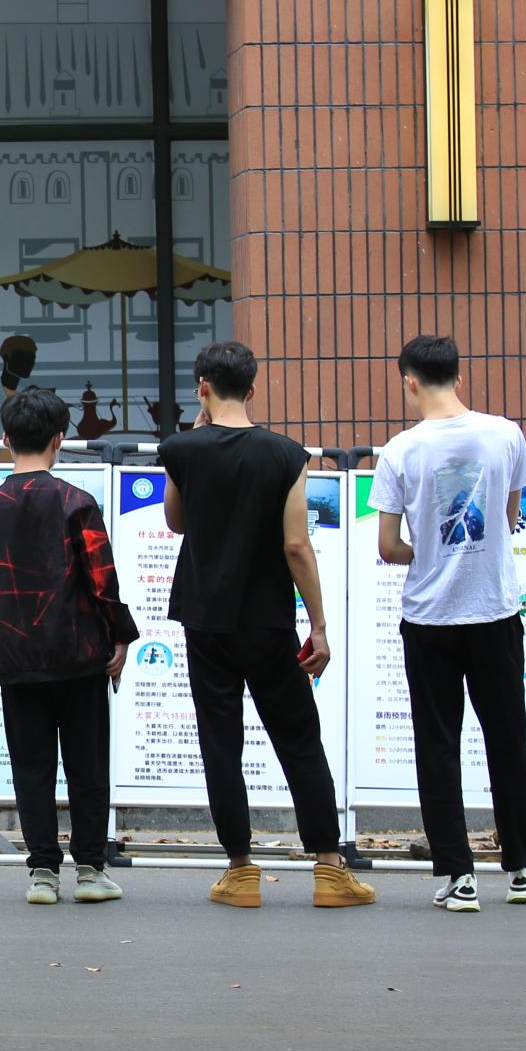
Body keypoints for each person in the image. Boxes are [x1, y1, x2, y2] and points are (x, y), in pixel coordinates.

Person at [160, 341, 376, 908]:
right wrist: (319, 625)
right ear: (253, 389)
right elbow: (296, 544)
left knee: (220, 743)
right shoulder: (286, 454)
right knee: (299, 740)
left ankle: (240, 871)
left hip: (205, 620)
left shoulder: (180, 450)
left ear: (202, 387)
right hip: (268, 621)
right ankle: (329, 870)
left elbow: (177, 521)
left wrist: (193, 444)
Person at [370, 334, 526, 912]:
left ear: (409, 381)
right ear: (459, 377)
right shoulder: (505, 434)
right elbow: (510, 517)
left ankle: (457, 875)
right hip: (495, 610)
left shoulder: (399, 450)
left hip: (430, 618)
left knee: (438, 744)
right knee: (508, 740)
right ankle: (521, 870)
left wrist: (426, 553)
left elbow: (388, 545)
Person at [0, 388, 138, 905]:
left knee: (31, 768)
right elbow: (103, 580)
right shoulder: (78, 502)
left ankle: (42, 875)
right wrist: (119, 635)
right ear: (60, 439)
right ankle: (92, 870)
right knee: (87, 767)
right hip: (79, 656)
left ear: (5, 439)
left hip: (15, 658)